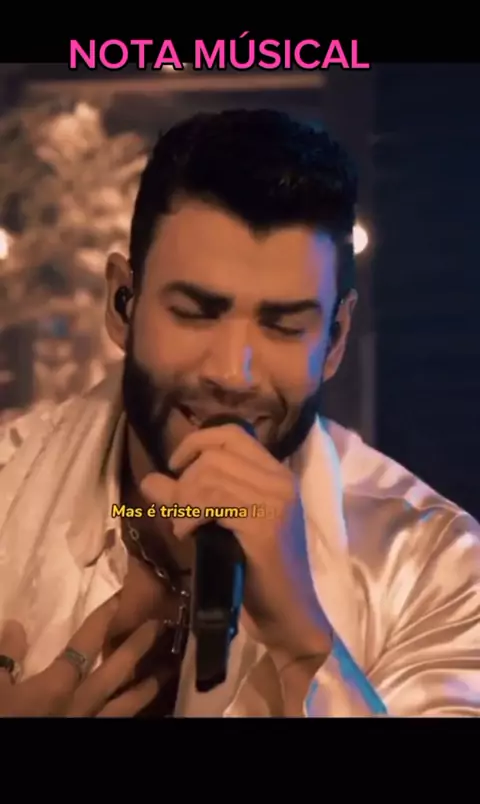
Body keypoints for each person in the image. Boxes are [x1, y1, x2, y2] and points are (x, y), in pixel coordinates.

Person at [0, 109, 479, 718]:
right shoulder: (8, 481)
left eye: (284, 325)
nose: (232, 373)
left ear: (335, 340)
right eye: (194, 312)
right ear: (123, 304)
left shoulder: (431, 564)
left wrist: (304, 648)